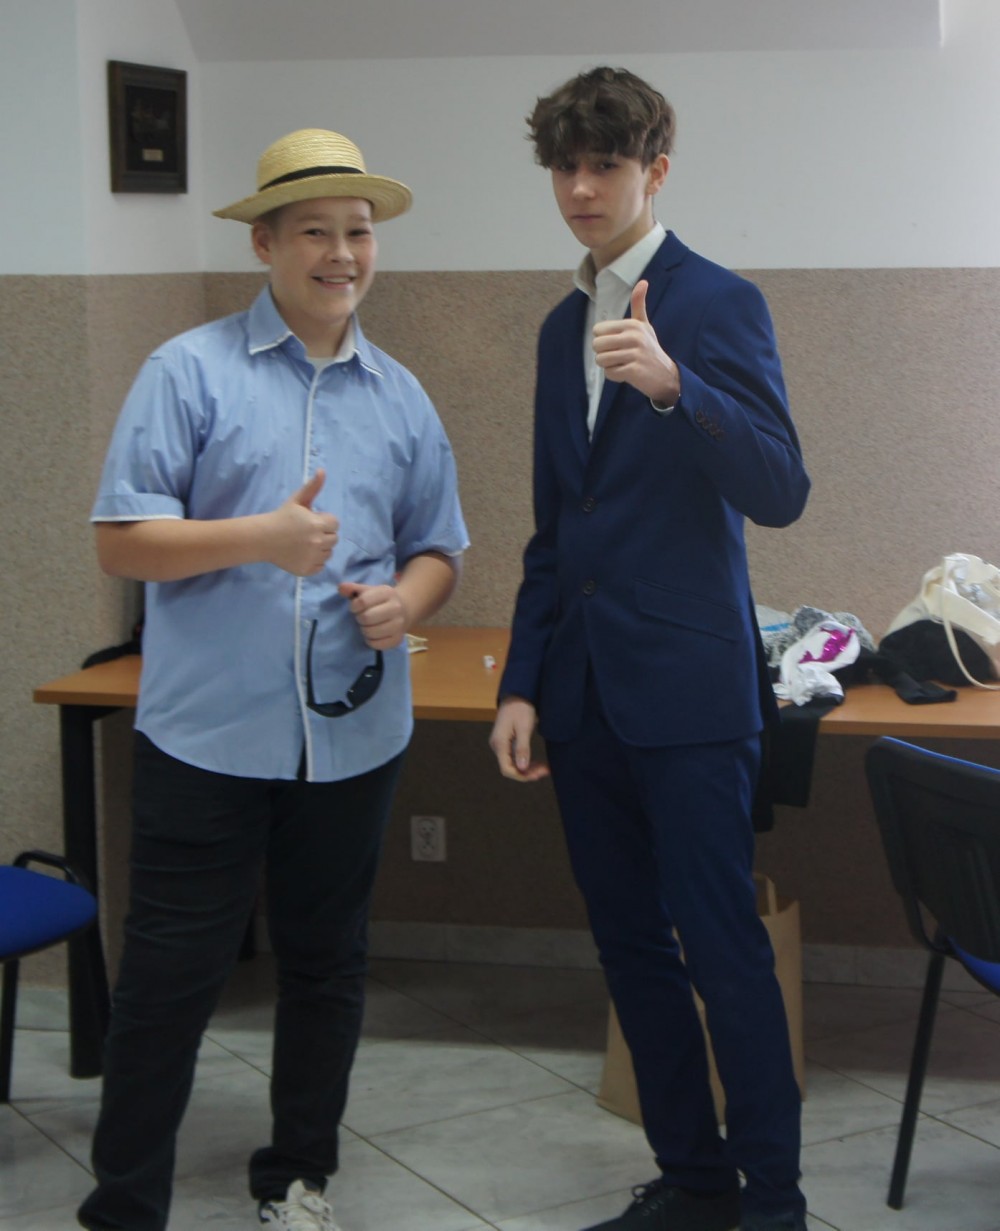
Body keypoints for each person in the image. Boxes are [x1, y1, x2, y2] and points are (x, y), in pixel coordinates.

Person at [78, 128, 469, 1231]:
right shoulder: (186, 370)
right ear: (264, 244)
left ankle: (296, 1175)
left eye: (359, 232)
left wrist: (408, 603)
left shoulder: (400, 396)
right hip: (207, 736)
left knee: (327, 964)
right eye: (315, 233)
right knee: (169, 976)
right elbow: (121, 541)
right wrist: (259, 536)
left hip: (353, 736)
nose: (342, 254)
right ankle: (125, 1202)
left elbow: (439, 546)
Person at [488, 68, 811, 1231]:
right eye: (564, 168)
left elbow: (781, 490)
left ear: (654, 171)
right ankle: (696, 1182)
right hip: (580, 697)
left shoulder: (717, 302)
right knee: (629, 948)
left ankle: (772, 1203)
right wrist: (522, 681)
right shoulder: (556, 329)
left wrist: (678, 388)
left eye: (605, 166)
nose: (581, 188)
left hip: (689, 692)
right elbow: (554, 528)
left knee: (724, 951)